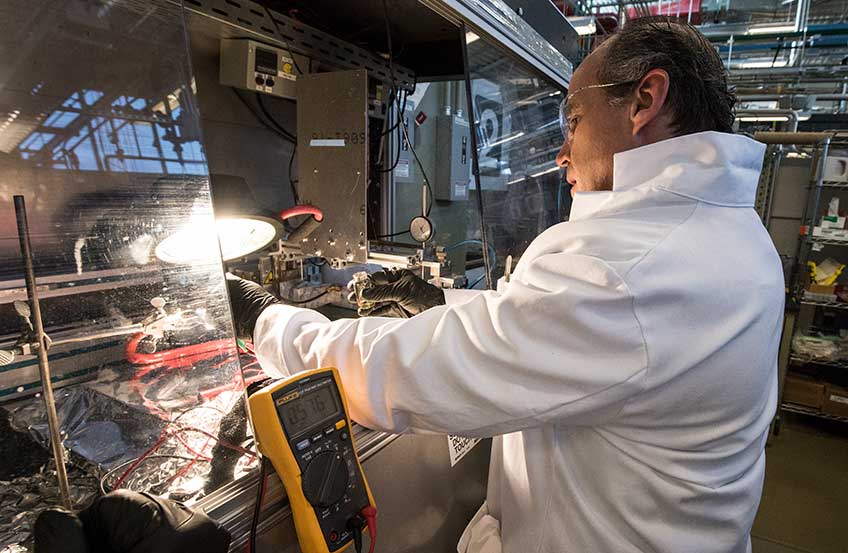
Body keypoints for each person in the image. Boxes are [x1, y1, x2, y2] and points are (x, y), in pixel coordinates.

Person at [227, 17, 783, 553]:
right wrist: (442, 302)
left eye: (573, 120)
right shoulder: (731, 231)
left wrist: (267, 320)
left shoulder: (629, 263)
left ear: (645, 100)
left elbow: (411, 373)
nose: (564, 152)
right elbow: (574, 330)